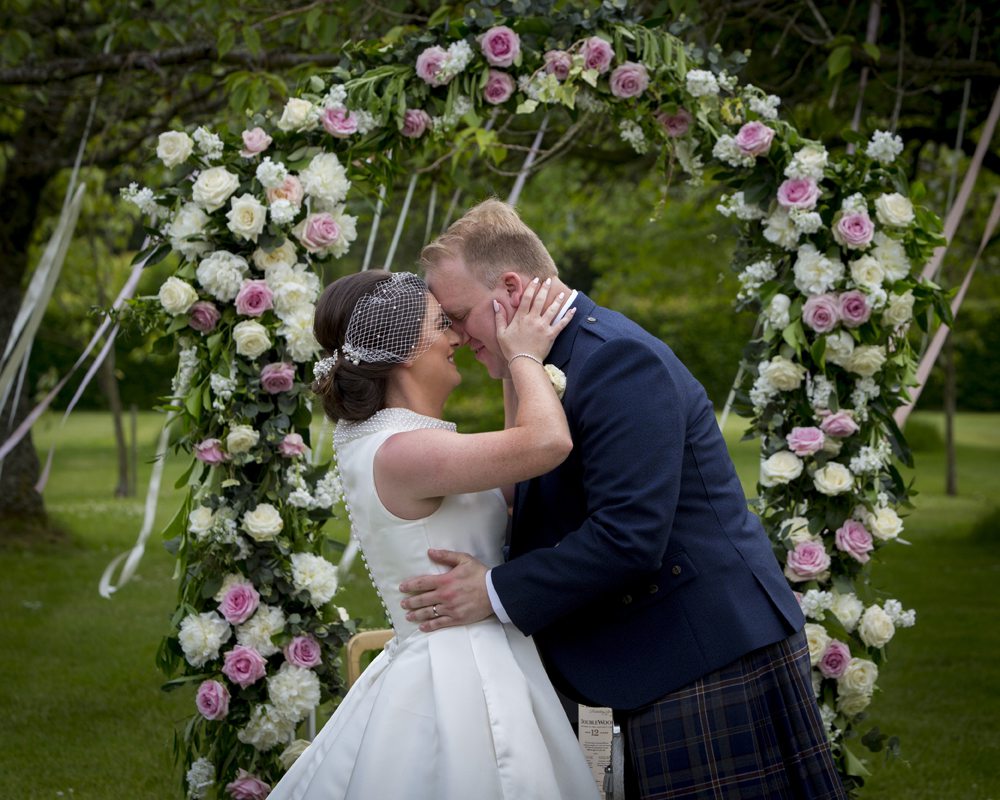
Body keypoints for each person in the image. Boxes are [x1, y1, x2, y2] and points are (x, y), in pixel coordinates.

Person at [399, 199, 847, 799]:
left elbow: (629, 536)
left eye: (457, 315)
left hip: (697, 652)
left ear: (510, 287)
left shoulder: (613, 358)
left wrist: (491, 592)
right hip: (633, 655)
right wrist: (516, 365)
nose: (453, 334)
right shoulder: (547, 364)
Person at [266, 269, 600, 800]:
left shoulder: (397, 439)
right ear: (401, 348)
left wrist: (509, 365)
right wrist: (524, 355)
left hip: (481, 650)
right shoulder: (403, 452)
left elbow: (517, 478)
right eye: (441, 324)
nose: (456, 338)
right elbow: (545, 444)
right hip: (459, 679)